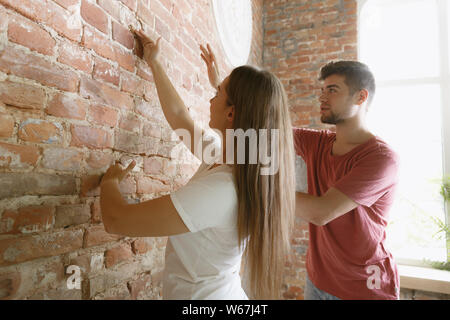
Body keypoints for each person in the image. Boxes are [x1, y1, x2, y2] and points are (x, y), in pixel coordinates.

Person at [99, 30, 296, 300]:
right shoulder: (224, 159)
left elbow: (116, 219)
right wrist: (155, 62)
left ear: (231, 113)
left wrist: (109, 182)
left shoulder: (223, 191)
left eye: (218, 92)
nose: (210, 98)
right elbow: (180, 117)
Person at [202, 52, 399, 300]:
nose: (322, 97)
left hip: (365, 289)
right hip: (318, 280)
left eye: (332, 90)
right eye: (323, 89)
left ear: (361, 97)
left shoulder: (381, 158)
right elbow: (262, 123)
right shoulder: (317, 143)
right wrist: (223, 92)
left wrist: (250, 183)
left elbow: (322, 212)